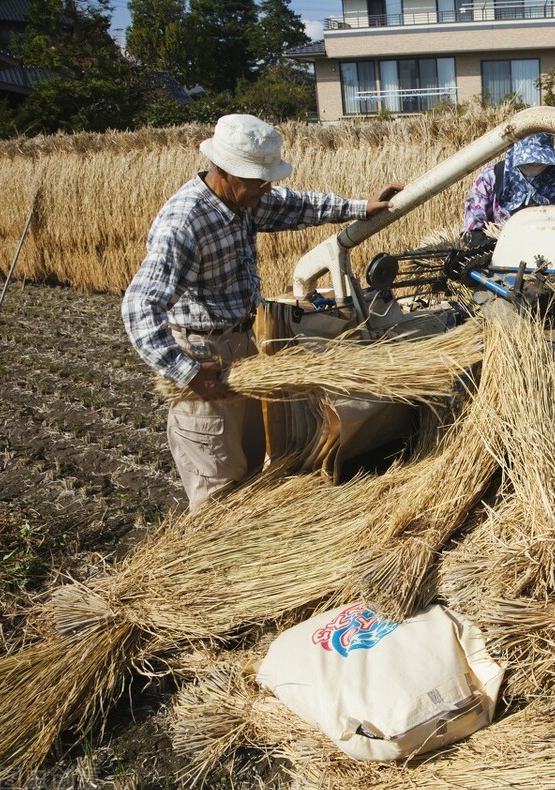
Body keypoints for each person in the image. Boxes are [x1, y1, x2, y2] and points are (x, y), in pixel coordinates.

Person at [122, 113, 402, 509]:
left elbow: (296, 206)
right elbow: (139, 307)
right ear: (224, 170)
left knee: (250, 470)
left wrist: (362, 207)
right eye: (258, 179)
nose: (266, 187)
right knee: (218, 483)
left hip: (241, 349)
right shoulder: (185, 223)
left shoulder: (242, 200)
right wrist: (188, 373)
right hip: (205, 360)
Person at [459, 132, 555, 248]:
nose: (534, 164)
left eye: (539, 162)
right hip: (496, 255)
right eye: (529, 161)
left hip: (549, 254)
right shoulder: (491, 178)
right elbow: (471, 230)